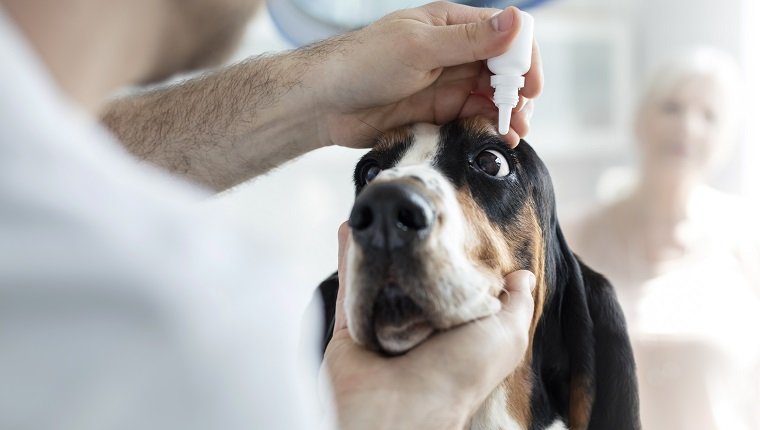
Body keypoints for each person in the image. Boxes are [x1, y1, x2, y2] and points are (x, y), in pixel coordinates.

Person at [0, 1, 541, 429]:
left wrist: (323, 92)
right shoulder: (185, 319)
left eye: (493, 164)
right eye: (372, 180)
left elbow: (45, 162)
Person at [566, 48, 760, 429]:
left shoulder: (746, 238)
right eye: (672, 107)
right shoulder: (575, 235)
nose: (688, 127)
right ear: (640, 119)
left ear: (725, 139)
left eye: (709, 116)